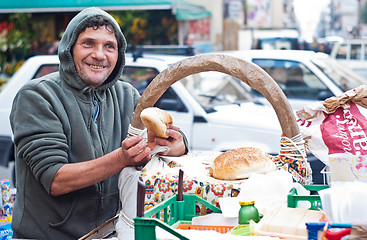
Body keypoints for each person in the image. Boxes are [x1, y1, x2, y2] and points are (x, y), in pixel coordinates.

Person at [10, 7, 187, 240]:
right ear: (68, 48)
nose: (99, 55)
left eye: (109, 46)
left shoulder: (127, 95)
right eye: (88, 43)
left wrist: (175, 145)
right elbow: (55, 179)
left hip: (110, 234)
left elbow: (165, 146)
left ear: (119, 53)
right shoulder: (37, 96)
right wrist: (121, 159)